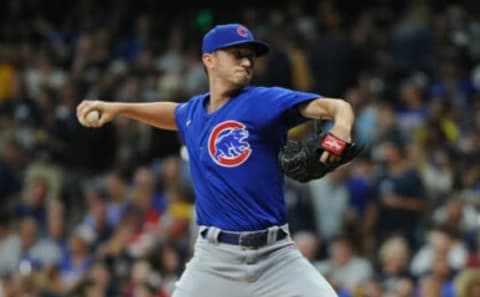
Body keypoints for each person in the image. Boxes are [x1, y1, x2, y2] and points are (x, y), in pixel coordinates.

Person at [77, 23, 356, 297]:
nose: (247, 62)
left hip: (276, 258)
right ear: (209, 59)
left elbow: (335, 106)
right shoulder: (194, 113)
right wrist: (119, 108)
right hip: (214, 261)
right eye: (237, 54)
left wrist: (340, 130)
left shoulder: (262, 101)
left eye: (250, 56)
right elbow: (172, 113)